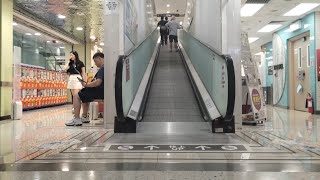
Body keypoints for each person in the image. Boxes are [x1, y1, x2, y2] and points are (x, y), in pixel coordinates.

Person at [65, 52, 104, 126]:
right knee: (84, 94)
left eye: (95, 61)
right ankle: (84, 116)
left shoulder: (102, 69)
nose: (95, 64)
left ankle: (76, 118)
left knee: (76, 96)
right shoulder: (106, 68)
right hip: (102, 91)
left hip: (99, 92)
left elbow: (98, 82)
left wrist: (87, 85)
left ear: (99, 59)